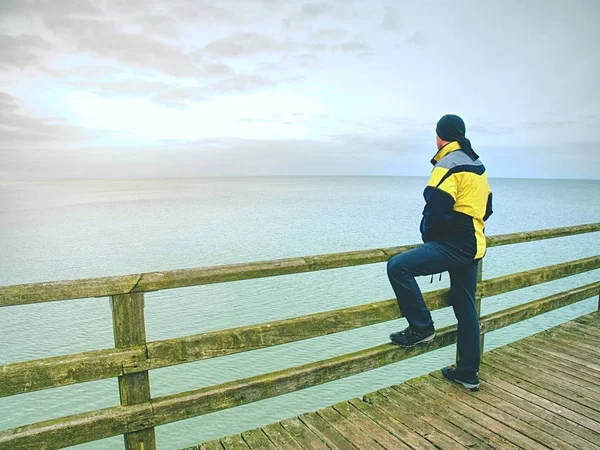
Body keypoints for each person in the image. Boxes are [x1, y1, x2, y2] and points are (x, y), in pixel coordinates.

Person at [386, 114, 493, 390]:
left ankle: (422, 328)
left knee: (398, 267)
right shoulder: (477, 164)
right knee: (465, 304)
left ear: (440, 136)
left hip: (455, 245)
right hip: (475, 244)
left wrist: (431, 238)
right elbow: (488, 207)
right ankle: (468, 373)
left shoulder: (447, 163)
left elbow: (435, 209)